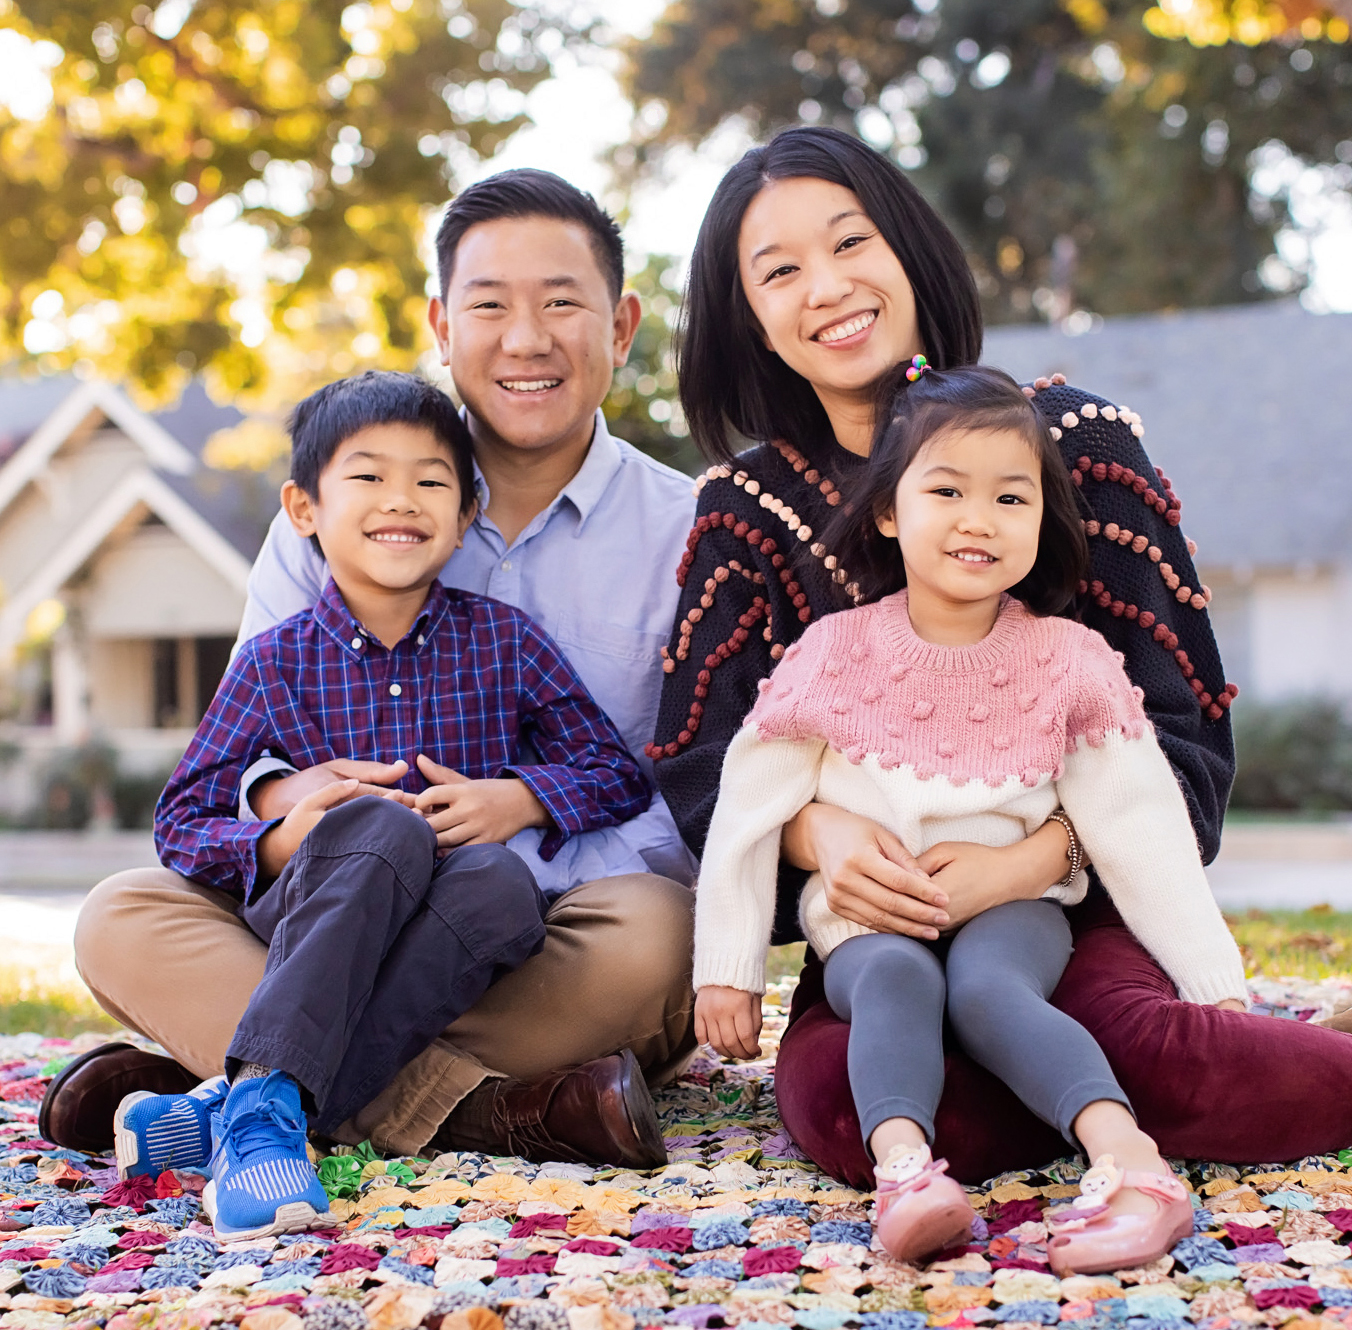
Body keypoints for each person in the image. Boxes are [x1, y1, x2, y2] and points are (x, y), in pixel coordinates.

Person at [652, 124, 1352, 1185]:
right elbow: (700, 768)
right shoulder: (738, 511)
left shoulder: (1070, 443)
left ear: (909, 249)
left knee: (1128, 1040)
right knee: (840, 1104)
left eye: (851, 243)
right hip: (871, 936)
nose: (827, 286)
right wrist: (820, 831)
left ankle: (1115, 1072)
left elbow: (1184, 749)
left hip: (1063, 910)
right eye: (779, 269)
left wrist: (1027, 859)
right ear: (744, 313)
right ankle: (1069, 1101)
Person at [52, 170, 697, 1167]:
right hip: (323, 911)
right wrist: (288, 805)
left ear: (620, 324)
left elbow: (659, 775)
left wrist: (522, 798)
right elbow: (235, 761)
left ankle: (239, 1085)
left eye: (560, 302)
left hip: (544, 928)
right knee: (121, 915)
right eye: (489, 304)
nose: (524, 338)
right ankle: (497, 1110)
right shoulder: (335, 505)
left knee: (661, 933)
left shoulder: (686, 528)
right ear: (442, 322)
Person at [693, 362, 1242, 1270]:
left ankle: (1130, 1161)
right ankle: (908, 1176)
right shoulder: (830, 655)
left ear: (1042, 521)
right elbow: (749, 811)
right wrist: (729, 966)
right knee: (893, 982)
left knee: (991, 991)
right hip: (870, 917)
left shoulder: (1071, 660)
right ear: (888, 511)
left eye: (1010, 498)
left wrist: (1210, 980)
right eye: (945, 489)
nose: (977, 519)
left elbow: (1139, 823)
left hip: (1013, 909)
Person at [141, 369, 658, 1238]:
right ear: (304, 509)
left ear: (464, 519)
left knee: (500, 882)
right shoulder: (276, 662)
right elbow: (181, 818)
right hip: (320, 920)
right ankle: (276, 1102)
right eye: (368, 476)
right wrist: (280, 838)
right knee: (377, 825)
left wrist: (522, 797)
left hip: (456, 932)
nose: (401, 501)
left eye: (430, 481)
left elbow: (616, 769)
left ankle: (251, 1106)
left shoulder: (503, 641)